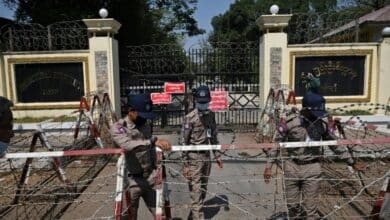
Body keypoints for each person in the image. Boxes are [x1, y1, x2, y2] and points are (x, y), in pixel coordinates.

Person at [263, 75, 334, 219]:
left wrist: (351, 160)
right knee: (292, 207)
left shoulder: (321, 123)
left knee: (310, 210)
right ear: (305, 110)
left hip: (312, 167)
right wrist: (269, 166)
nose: (317, 116)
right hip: (292, 167)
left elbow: (334, 143)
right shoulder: (290, 123)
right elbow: (277, 143)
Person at [110, 93, 171, 220]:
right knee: (129, 216)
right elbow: (128, 145)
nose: (145, 119)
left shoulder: (144, 124)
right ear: (130, 110)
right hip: (131, 181)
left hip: (151, 178)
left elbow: (150, 144)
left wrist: (158, 144)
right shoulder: (119, 127)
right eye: (142, 114)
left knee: (161, 215)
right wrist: (152, 141)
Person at [181, 85, 223, 220]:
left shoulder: (211, 115)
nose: (203, 105)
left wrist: (217, 155)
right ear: (196, 101)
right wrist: (185, 164)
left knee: (203, 189)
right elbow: (183, 141)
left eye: (205, 102)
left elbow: (214, 136)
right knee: (196, 191)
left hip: (207, 157)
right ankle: (198, 216)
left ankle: (194, 215)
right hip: (194, 158)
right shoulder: (190, 118)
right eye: (201, 102)